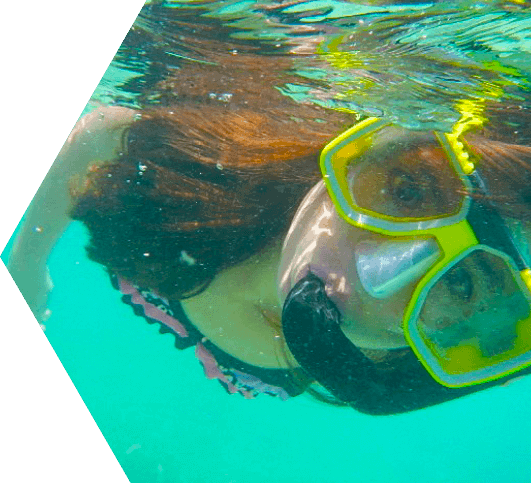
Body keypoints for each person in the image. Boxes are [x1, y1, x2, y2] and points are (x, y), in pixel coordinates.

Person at [7, 53, 531, 414]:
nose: (376, 271)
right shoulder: (215, 174)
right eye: (410, 192)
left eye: (460, 284)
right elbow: (102, 131)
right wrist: (27, 262)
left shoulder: (377, 363)